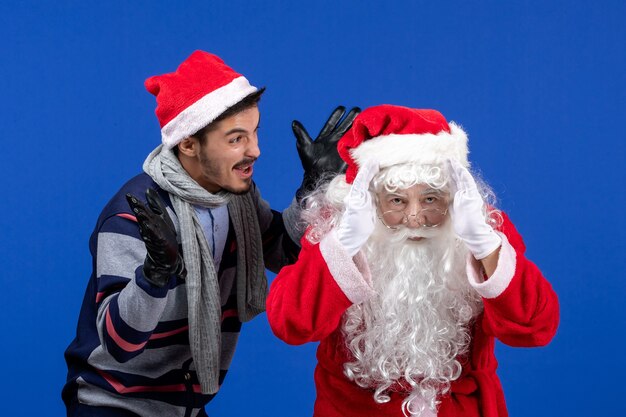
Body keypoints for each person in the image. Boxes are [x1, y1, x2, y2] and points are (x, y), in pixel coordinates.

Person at [62, 50, 358, 417]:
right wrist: (155, 276)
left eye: (254, 133)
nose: (256, 151)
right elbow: (119, 343)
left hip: (185, 404)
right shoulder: (133, 215)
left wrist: (314, 189)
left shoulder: (236, 199)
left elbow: (283, 250)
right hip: (115, 402)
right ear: (187, 143)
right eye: (236, 139)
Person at [266, 105, 560, 417]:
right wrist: (344, 245)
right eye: (397, 200)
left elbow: (536, 328)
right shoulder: (336, 231)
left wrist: (484, 245)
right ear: (370, 200)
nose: (415, 218)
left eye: (430, 199)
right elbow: (290, 325)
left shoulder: (482, 231)